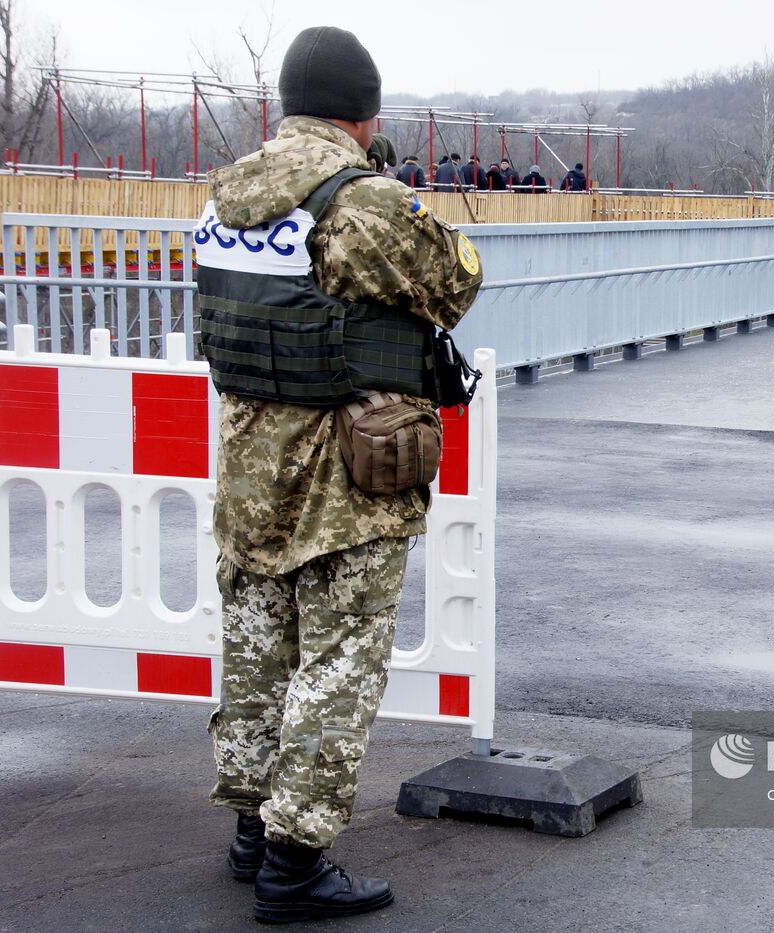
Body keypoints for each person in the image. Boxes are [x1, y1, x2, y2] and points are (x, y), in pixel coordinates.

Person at [192, 25, 483, 924]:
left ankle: (250, 828)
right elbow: (457, 280)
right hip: (343, 478)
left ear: (287, 105)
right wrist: (391, 189)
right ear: (364, 113)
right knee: (337, 665)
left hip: (248, 470)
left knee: (256, 653)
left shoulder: (227, 190)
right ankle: (295, 860)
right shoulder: (360, 201)